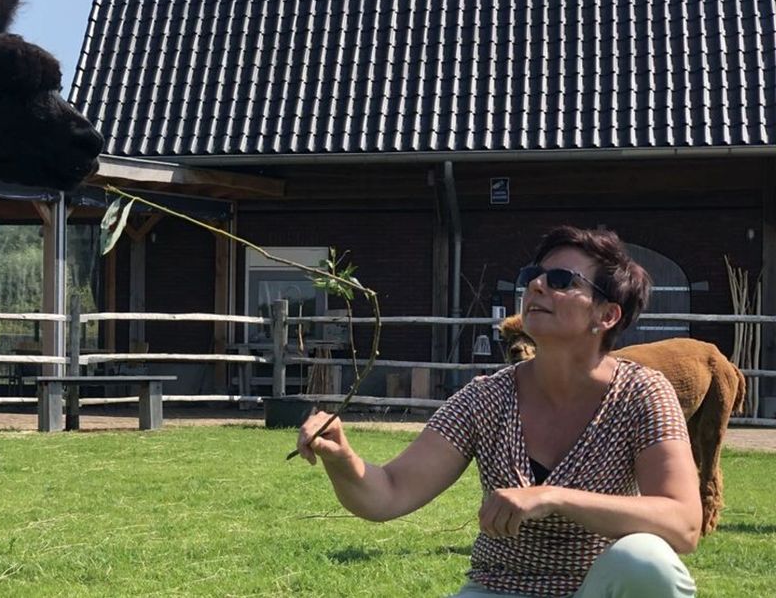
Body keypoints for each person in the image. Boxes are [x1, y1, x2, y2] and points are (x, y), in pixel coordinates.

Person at [296, 226, 701, 597]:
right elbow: (389, 494)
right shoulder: (486, 398)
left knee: (647, 560)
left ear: (606, 315)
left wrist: (555, 497)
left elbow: (682, 522)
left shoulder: (642, 394)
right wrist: (344, 461)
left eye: (561, 280)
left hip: (596, 589)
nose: (537, 285)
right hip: (500, 587)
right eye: (533, 276)